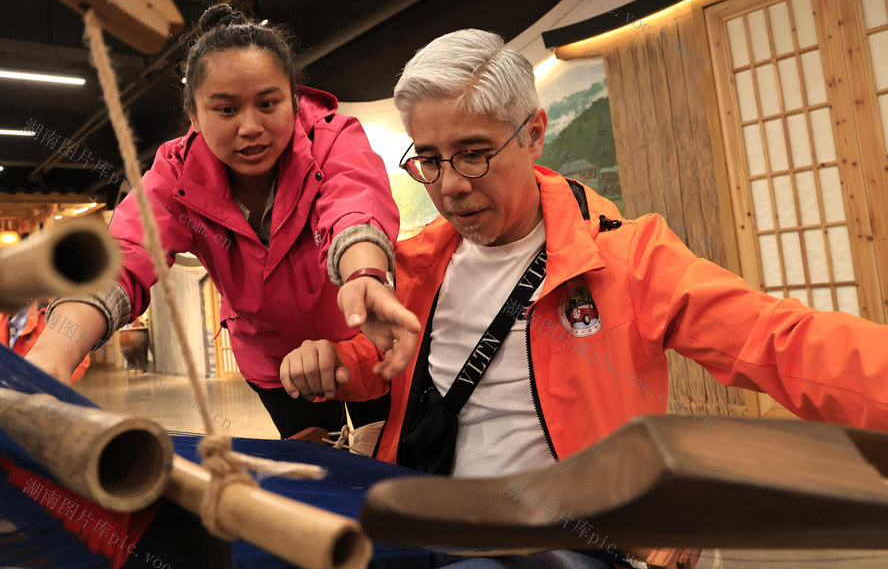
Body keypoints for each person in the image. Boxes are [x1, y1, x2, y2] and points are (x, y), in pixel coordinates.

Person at [279, 29, 888, 568]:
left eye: (473, 153)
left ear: (534, 134)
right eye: (430, 161)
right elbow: (380, 363)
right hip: (427, 519)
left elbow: (778, 341)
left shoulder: (627, 258)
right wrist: (334, 365)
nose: (452, 186)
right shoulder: (417, 266)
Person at [26, 2, 419, 438]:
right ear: (194, 116)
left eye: (268, 103)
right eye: (226, 110)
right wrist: (55, 352)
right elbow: (126, 252)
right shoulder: (175, 175)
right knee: (315, 463)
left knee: (384, 449)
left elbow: (354, 200)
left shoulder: (332, 137)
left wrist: (363, 272)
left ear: (292, 99)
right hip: (272, 358)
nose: (250, 127)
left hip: (362, 334)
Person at [0, 300, 90, 384]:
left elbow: (82, 360)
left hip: (44, 392)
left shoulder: (51, 320)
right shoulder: (3, 321)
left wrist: (55, 375)